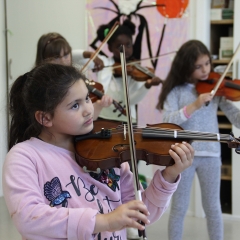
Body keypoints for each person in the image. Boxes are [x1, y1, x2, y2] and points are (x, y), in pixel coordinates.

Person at [3, 63, 194, 240]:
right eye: (75, 105)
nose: (88, 110)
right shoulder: (24, 157)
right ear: (45, 118)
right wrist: (106, 221)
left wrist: (169, 175)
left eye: (86, 98)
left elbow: (141, 214)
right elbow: (29, 218)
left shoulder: (107, 150)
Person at [157, 39, 240, 240]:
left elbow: (234, 116)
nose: (205, 70)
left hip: (211, 155)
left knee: (213, 207)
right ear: (186, 66)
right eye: (198, 66)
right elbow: (168, 120)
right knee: (179, 207)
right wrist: (194, 104)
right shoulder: (176, 91)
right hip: (183, 156)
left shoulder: (215, 89)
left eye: (207, 64)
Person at [72, 19, 162, 124]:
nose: (125, 50)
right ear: (110, 48)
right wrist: (88, 54)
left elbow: (132, 100)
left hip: (127, 120)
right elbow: (72, 57)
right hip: (103, 117)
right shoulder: (103, 63)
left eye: (128, 45)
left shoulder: (135, 70)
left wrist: (147, 86)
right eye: (119, 46)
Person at [35, 32, 112, 120]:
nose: (63, 62)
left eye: (66, 55)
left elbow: (87, 119)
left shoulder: (73, 80)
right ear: (44, 59)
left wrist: (99, 105)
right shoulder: (42, 89)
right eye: (56, 58)